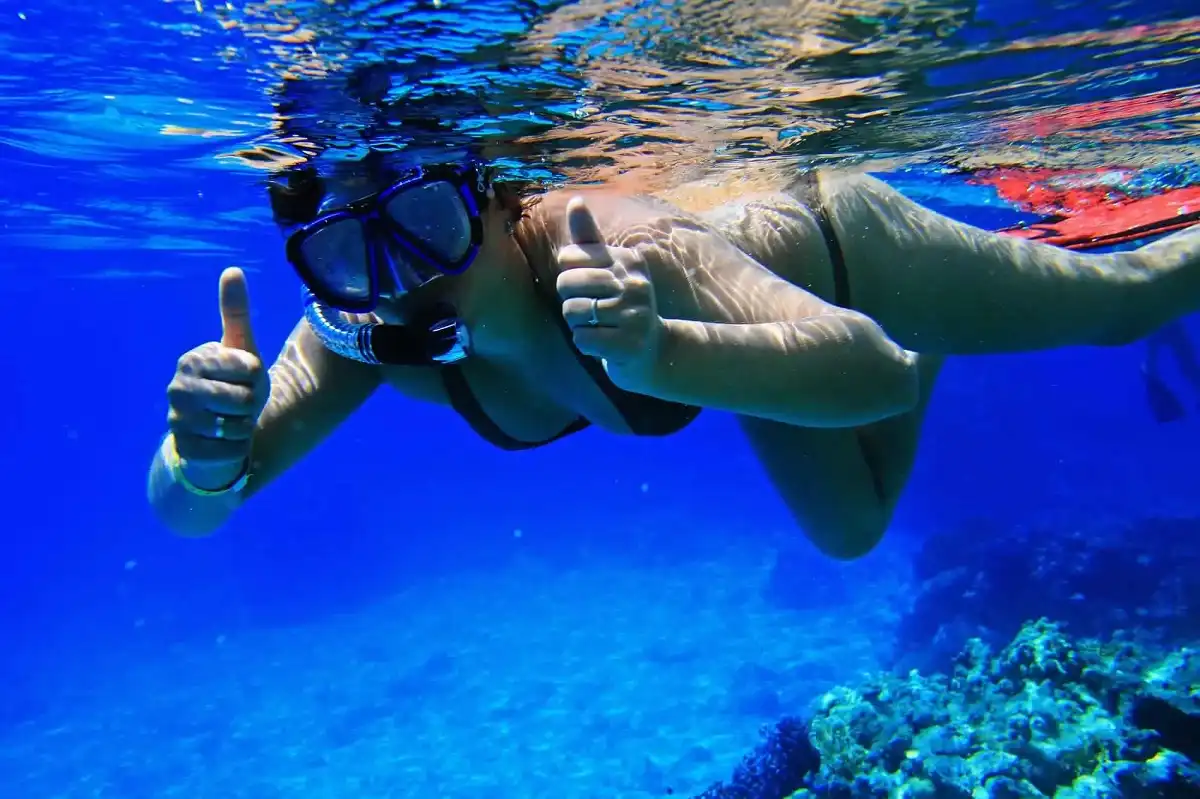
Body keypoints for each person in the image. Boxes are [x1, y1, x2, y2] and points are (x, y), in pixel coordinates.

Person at [147, 150, 1200, 558]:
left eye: (425, 217)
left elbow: (868, 366)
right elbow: (191, 510)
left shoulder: (617, 242)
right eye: (345, 248)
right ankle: (951, 329)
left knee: (1126, 298)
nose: (400, 271)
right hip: (767, 348)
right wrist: (194, 455)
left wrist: (669, 350)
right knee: (851, 529)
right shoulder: (362, 319)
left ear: (491, 192)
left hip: (839, 251)